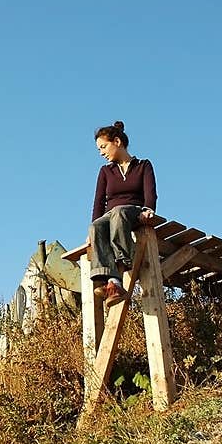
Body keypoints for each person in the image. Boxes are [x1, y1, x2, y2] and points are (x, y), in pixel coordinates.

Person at [87, 120, 158, 307]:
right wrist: (91, 235)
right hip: (111, 216)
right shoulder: (105, 171)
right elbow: (98, 202)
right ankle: (111, 282)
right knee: (96, 226)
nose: (101, 152)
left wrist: (148, 210)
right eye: (98, 149)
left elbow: (150, 193)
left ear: (117, 142)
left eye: (103, 147)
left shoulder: (143, 165)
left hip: (132, 211)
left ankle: (124, 259)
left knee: (118, 212)